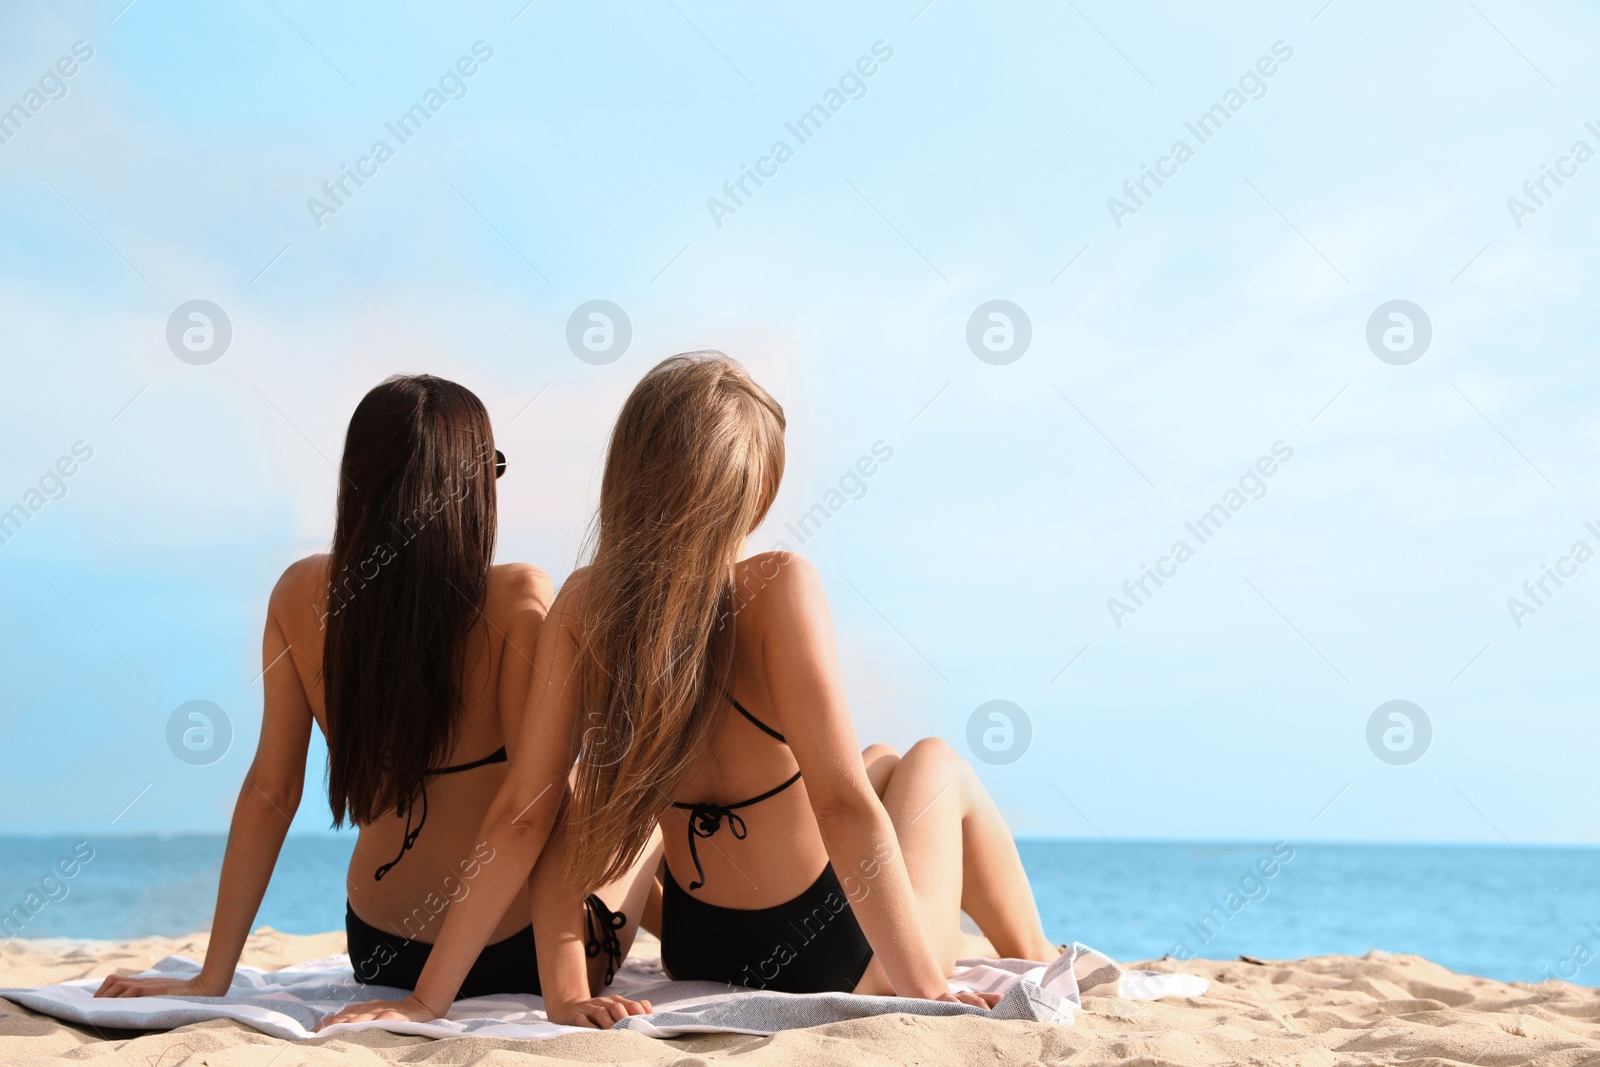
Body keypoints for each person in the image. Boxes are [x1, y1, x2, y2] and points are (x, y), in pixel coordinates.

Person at [321, 353, 1054, 1030]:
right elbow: (838, 805)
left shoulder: (582, 604)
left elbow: (528, 817)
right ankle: (1035, 953)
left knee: (881, 760)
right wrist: (925, 985)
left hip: (700, 945)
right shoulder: (776, 587)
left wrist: (452, 998)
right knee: (931, 764)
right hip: (828, 950)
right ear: (749, 486)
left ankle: (1027, 946)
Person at [95, 374, 650, 1003]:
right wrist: (560, 996)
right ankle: (708, 936)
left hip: (379, 948)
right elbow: (533, 816)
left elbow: (270, 792)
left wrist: (211, 976)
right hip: (505, 954)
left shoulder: (300, 595)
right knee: (642, 815)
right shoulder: (519, 600)